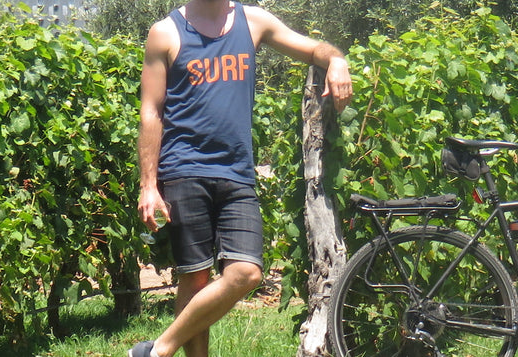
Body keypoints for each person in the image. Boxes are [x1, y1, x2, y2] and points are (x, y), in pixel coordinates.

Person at [129, 0, 352, 356]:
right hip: (183, 169)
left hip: (237, 172)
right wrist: (148, 185)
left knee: (246, 273)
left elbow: (314, 49)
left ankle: (157, 351)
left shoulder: (253, 21)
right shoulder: (166, 33)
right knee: (195, 280)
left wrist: (336, 61)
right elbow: (151, 110)